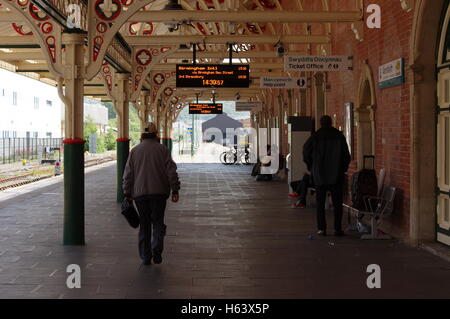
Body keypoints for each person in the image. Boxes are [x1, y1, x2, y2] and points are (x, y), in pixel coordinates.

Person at [122, 122, 180, 265]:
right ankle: (157, 250)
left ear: (142, 135)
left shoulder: (134, 151)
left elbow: (128, 175)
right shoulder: (163, 150)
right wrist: (175, 189)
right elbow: (171, 172)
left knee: (144, 225)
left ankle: (145, 256)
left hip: (140, 195)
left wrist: (127, 193)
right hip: (159, 194)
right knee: (158, 222)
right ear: (156, 135)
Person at [303, 115, 351, 236]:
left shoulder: (315, 136)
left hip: (319, 175)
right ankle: (337, 229)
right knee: (337, 204)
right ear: (331, 123)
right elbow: (346, 155)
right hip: (336, 175)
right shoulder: (339, 136)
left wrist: (311, 166)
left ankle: (321, 229)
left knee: (320, 203)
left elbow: (305, 152)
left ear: (321, 123)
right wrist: (342, 168)